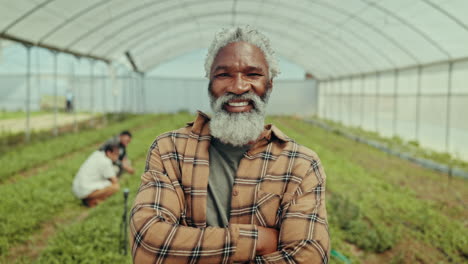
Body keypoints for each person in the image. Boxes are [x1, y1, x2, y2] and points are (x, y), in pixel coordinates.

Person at [130, 26, 329, 263]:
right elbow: (148, 244)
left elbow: (309, 257)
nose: (238, 87)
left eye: (252, 74)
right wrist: (258, 240)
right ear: (209, 84)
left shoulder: (301, 164)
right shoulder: (170, 149)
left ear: (270, 84)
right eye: (224, 75)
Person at [72, 143, 120, 207]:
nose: (117, 158)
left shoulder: (97, 154)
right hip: (85, 190)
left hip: (77, 188)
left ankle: (92, 199)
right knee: (115, 187)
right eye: (116, 155)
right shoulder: (106, 161)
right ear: (109, 153)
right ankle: (92, 200)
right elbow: (114, 180)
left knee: (106, 183)